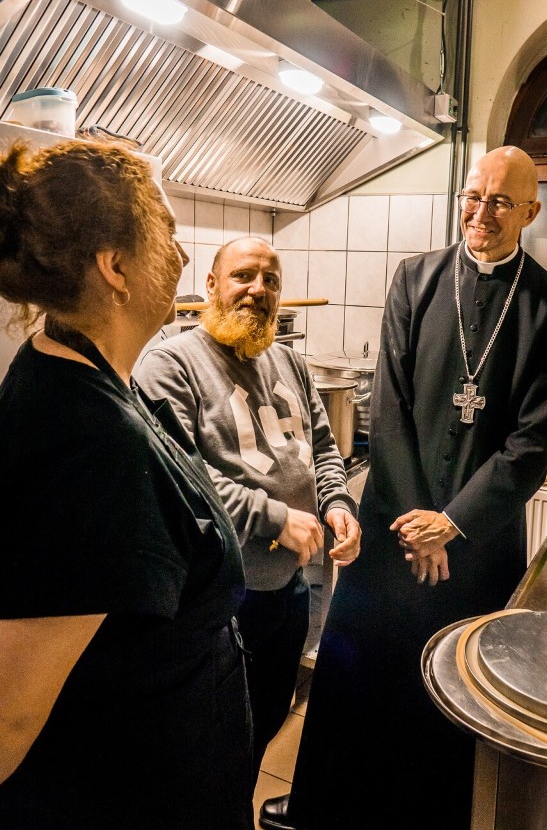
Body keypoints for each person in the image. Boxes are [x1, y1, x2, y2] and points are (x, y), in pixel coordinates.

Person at [260, 145, 547, 830]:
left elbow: (531, 443)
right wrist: (417, 522)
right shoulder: (417, 278)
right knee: (357, 671)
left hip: (478, 539)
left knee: (454, 687)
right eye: (473, 195)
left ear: (531, 210)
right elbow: (389, 409)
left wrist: (455, 523)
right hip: (395, 529)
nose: (481, 212)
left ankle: (424, 815)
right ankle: (326, 804)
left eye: (499, 201)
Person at [0, 139, 253, 830]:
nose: (182, 256)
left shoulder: (87, 378)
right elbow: (9, 715)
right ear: (115, 266)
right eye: (167, 232)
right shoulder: (88, 444)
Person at [136, 236, 361, 781]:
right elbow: (185, 477)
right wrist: (276, 519)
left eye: (271, 280)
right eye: (243, 276)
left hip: (289, 586)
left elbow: (323, 448)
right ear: (211, 285)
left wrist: (335, 501)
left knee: (262, 723)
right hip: (218, 599)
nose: (258, 290)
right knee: (211, 745)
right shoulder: (170, 365)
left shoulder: (289, 361)